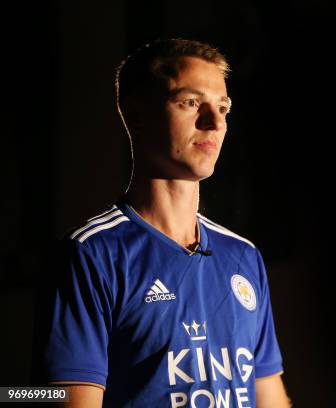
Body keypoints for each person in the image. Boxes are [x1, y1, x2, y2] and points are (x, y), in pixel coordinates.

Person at [31, 38, 291, 407]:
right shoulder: (90, 255)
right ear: (135, 114)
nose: (214, 122)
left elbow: (269, 398)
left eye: (223, 108)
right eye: (190, 103)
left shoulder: (243, 256)